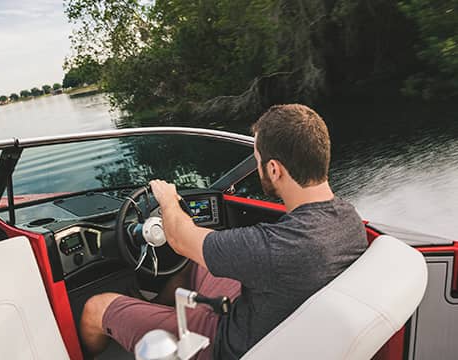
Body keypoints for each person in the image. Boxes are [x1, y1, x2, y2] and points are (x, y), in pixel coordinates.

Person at [80, 104, 367, 359]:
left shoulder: (274, 247)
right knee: (196, 261)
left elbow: (180, 238)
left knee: (95, 308)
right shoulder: (349, 220)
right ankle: (154, 309)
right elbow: (202, 249)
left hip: (225, 342)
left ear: (275, 169)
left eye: (257, 160)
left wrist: (167, 199)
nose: (258, 168)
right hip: (272, 317)